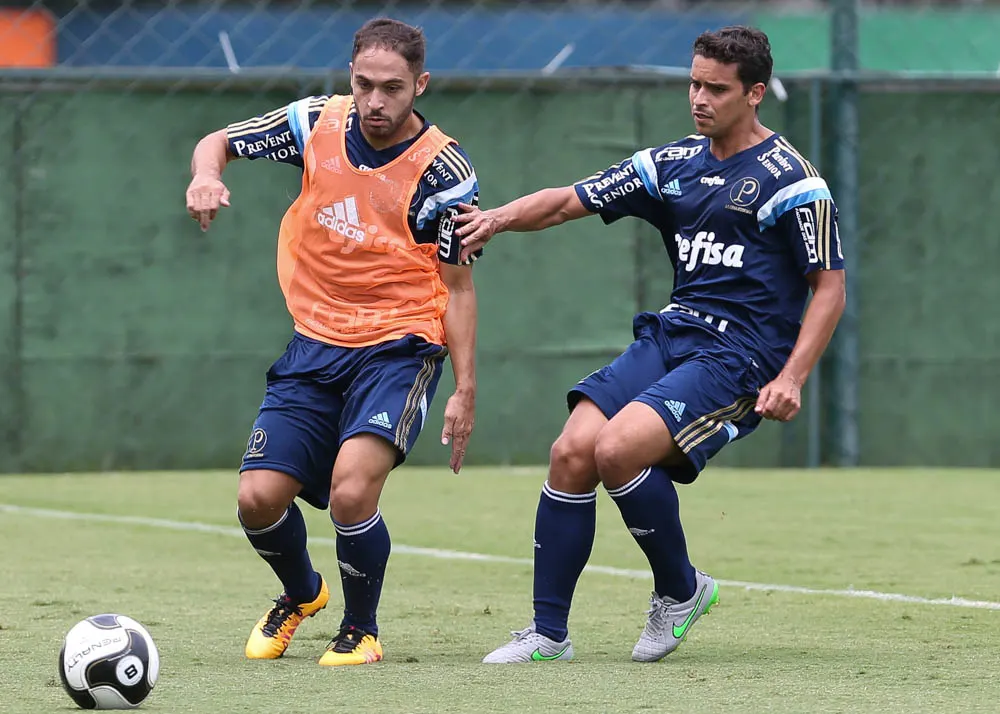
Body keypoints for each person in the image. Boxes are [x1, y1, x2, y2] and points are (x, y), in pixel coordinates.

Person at [455, 25, 845, 663]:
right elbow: (564, 203)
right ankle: (548, 635)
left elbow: (830, 288)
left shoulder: (793, 182)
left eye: (716, 89)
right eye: (693, 83)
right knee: (571, 451)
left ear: (754, 95)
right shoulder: (670, 165)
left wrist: (793, 376)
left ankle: (680, 590)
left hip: (740, 357)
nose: (699, 98)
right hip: (674, 333)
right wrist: (495, 218)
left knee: (617, 449)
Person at [184, 17, 481, 667]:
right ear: (350, 77)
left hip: (399, 348)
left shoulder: (445, 172)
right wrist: (205, 176)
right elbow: (218, 141)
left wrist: (463, 389)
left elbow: (458, 289)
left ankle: (362, 629)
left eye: (393, 89)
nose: (376, 102)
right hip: (315, 341)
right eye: (365, 84)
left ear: (420, 85)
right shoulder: (315, 123)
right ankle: (302, 594)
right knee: (256, 500)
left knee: (351, 491)